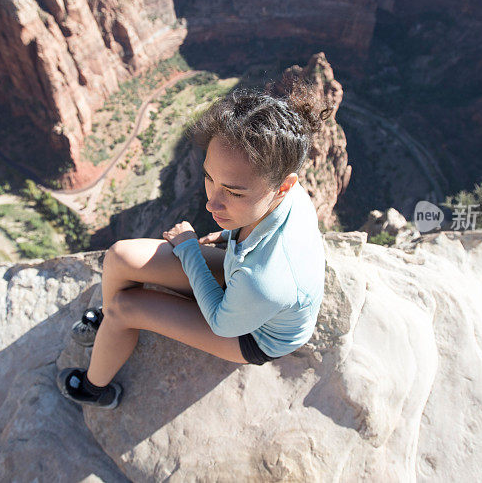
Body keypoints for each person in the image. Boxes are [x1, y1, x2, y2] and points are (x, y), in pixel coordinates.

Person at [56, 77, 330, 408]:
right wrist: (229, 235)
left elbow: (221, 322)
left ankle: (93, 390)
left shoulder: (267, 281)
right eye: (210, 178)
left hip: (251, 333)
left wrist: (188, 250)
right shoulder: (285, 193)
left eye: (234, 192)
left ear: (283, 186)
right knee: (119, 257)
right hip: (241, 277)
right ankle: (110, 322)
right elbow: (265, 231)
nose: (211, 203)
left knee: (126, 308)